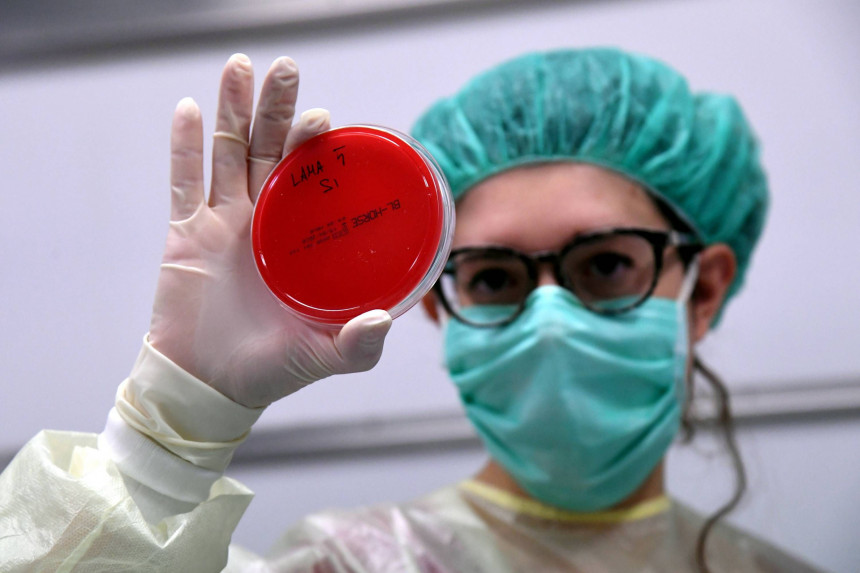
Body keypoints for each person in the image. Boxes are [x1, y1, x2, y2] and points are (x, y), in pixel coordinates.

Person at [0, 48, 822, 572]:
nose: (549, 318)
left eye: (605, 264)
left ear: (702, 289)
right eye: (494, 278)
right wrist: (168, 434)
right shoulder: (352, 563)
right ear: (434, 303)